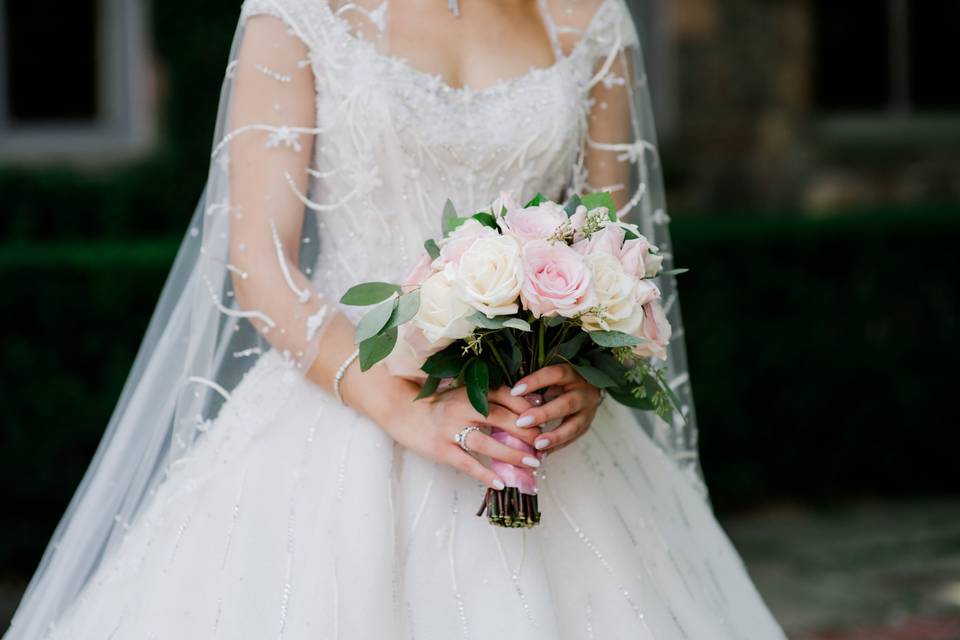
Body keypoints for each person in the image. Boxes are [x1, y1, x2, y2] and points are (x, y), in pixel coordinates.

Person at [5, 0, 786, 637]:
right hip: (343, 409)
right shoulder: (295, 13)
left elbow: (610, 246)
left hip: (536, 429)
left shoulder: (593, 20)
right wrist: (396, 403)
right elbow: (258, 263)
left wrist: (590, 373)